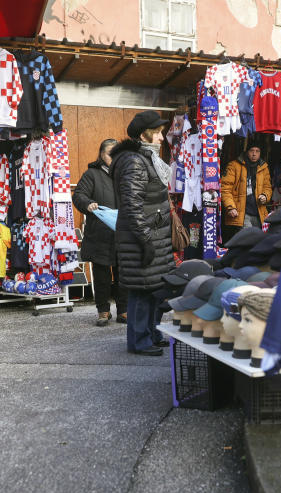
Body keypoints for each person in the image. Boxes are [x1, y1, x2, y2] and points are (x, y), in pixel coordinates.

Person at [110, 110, 175, 356]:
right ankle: (139, 340)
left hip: (151, 235)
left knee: (153, 289)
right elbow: (131, 205)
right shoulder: (134, 161)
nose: (161, 138)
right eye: (157, 133)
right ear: (143, 135)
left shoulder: (144, 159)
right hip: (142, 237)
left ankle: (151, 333)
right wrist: (146, 240)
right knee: (141, 290)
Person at [72, 138, 128, 327]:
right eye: (108, 153)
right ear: (101, 154)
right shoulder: (92, 174)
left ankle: (124, 310)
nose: (112, 157)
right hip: (100, 234)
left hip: (122, 233)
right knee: (102, 275)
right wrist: (88, 204)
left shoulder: (126, 174)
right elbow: (79, 194)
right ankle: (103, 311)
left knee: (123, 274)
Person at [221, 141, 272, 243]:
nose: (254, 154)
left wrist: (265, 196)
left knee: (257, 241)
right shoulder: (234, 166)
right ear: (246, 152)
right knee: (248, 241)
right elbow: (225, 188)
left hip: (258, 212)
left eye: (257, 151)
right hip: (241, 213)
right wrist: (230, 207)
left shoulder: (264, 167)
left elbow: (268, 187)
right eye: (252, 150)